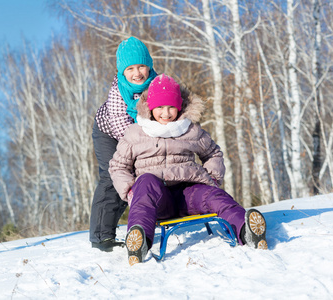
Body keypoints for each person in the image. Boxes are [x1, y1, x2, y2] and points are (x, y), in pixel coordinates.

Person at [109, 74, 268, 266]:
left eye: (171, 107)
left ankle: (246, 230)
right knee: (146, 182)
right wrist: (130, 191)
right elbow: (118, 166)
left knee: (215, 197)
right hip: (157, 197)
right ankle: (139, 242)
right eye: (160, 107)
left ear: (179, 107)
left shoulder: (190, 130)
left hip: (190, 192)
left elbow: (213, 153)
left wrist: (213, 178)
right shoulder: (136, 133)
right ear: (150, 108)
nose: (166, 113)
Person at [90, 37, 158, 252]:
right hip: (109, 134)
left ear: (149, 66)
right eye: (130, 68)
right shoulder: (118, 92)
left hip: (143, 136)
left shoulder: (158, 85)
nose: (137, 73)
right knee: (114, 176)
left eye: (141, 66)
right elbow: (122, 129)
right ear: (122, 71)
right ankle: (101, 236)